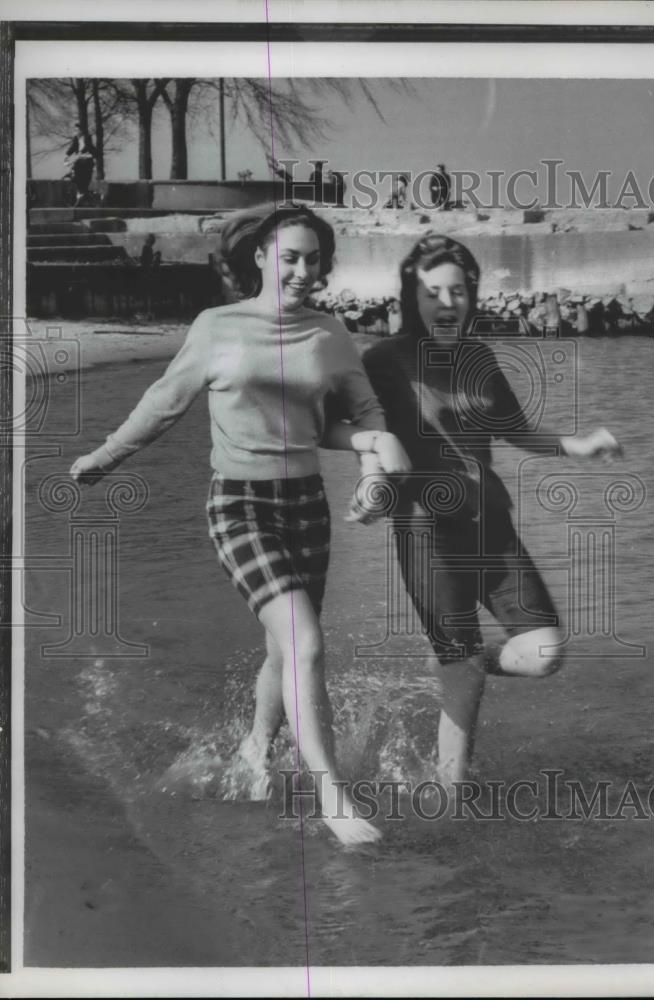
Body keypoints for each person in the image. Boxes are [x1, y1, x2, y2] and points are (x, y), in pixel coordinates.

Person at [70, 203, 411, 845]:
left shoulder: (331, 335)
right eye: (290, 257)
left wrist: (375, 464)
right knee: (307, 642)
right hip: (239, 506)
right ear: (260, 257)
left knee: (284, 647)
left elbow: (363, 415)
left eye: (314, 259)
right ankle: (333, 799)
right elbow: (163, 403)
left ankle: (255, 750)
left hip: (305, 505)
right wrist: (106, 457)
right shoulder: (216, 327)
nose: (304, 270)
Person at [352, 234, 622, 786]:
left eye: (457, 291)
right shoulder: (383, 361)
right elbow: (368, 435)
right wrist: (373, 489)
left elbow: (516, 431)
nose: (446, 304)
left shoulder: (480, 356)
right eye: (433, 293)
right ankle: (450, 800)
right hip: (427, 530)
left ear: (472, 296)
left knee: (545, 652)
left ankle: (458, 665)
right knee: (466, 672)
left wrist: (578, 445)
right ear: (413, 297)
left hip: (491, 526)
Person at [64, 121, 97, 206]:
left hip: (87, 160)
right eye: (75, 130)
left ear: (81, 131)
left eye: (77, 130)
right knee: (75, 173)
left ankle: (83, 194)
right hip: (80, 159)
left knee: (83, 177)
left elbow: (89, 146)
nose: (76, 132)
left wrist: (84, 152)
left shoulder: (87, 137)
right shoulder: (75, 138)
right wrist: (67, 155)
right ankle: (81, 193)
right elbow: (72, 147)